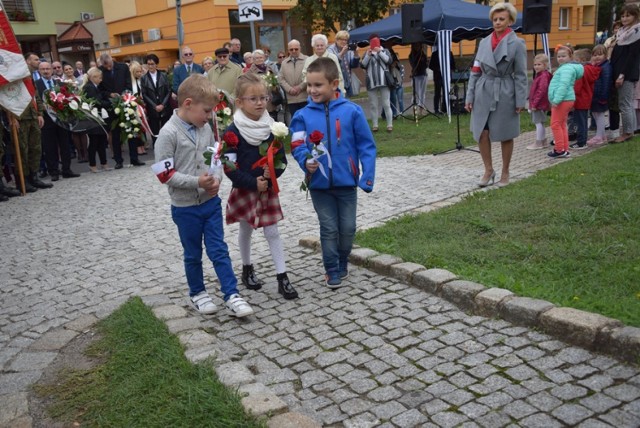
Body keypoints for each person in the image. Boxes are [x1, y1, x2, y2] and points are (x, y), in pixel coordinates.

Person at [154, 74, 254, 317]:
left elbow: (215, 157)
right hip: (185, 207)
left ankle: (231, 294)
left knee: (219, 249)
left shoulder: (205, 127)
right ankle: (197, 293)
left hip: (210, 204)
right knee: (192, 253)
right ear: (188, 104)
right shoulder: (168, 134)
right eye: (206, 111)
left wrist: (216, 178)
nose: (209, 116)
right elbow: (164, 175)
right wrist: (197, 182)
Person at [290, 57, 376, 288]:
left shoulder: (352, 112)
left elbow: (366, 146)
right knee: (329, 228)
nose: (312, 90)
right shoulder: (302, 116)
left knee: (347, 228)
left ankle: (342, 259)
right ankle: (331, 269)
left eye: (318, 85)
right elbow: (297, 145)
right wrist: (305, 161)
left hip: (347, 183)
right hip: (319, 185)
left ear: (334, 84)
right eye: (309, 85)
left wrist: (366, 175)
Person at [222, 73, 297, 300]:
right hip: (246, 188)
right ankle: (247, 268)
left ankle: (282, 276)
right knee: (246, 229)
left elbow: (281, 159)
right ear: (240, 102)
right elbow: (228, 167)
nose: (259, 103)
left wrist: (274, 174)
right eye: (253, 99)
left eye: (263, 98)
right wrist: (252, 181)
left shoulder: (274, 128)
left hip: (267, 189)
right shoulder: (232, 131)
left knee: (272, 230)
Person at [465, 2, 527, 187]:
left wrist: (520, 99)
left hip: (505, 90)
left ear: (510, 21)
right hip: (483, 89)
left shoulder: (517, 43)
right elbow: (475, 70)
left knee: (505, 133)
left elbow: (522, 75)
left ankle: (506, 171)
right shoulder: (484, 42)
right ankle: (488, 170)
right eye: (495, 19)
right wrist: (469, 96)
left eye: (502, 19)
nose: (498, 22)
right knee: (482, 133)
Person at [35, 61, 80, 181]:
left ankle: (67, 169)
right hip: (46, 120)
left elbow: (67, 98)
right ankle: (53, 171)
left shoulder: (59, 83)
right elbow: (35, 102)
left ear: (52, 70)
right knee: (50, 147)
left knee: (65, 144)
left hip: (61, 119)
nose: (46, 71)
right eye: (43, 69)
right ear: (39, 71)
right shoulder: (36, 85)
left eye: (48, 69)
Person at [99, 53, 144, 168]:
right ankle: (118, 161)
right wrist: (110, 94)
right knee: (115, 134)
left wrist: (125, 95)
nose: (108, 68)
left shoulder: (123, 67)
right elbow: (100, 90)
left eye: (109, 65)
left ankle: (134, 158)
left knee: (131, 130)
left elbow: (128, 83)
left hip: (125, 103)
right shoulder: (100, 71)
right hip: (112, 106)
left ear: (111, 61)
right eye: (106, 67)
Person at [609, 4, 640, 143]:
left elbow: (632, 57)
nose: (624, 18)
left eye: (628, 15)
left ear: (635, 16)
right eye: (622, 16)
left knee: (625, 104)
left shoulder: (636, 32)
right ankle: (630, 129)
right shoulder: (622, 32)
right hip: (618, 71)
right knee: (627, 103)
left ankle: (627, 132)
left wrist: (622, 74)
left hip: (626, 73)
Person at [547, 45, 583, 158]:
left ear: (570, 57)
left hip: (562, 100)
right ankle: (564, 148)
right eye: (558, 56)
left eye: (563, 56)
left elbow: (563, 85)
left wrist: (556, 100)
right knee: (562, 124)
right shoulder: (564, 68)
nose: (560, 58)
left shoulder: (567, 69)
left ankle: (559, 149)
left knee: (555, 124)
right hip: (566, 99)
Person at [82, 67, 113, 172]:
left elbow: (101, 96)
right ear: (93, 77)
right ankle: (92, 164)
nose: (101, 80)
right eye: (99, 78)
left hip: (99, 118)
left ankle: (104, 163)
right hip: (93, 118)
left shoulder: (95, 86)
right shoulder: (89, 87)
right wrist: (110, 103)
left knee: (101, 142)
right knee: (94, 142)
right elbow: (96, 101)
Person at [361, 34, 394, 132]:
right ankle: (375, 125)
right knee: (373, 105)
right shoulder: (367, 53)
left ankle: (389, 125)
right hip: (371, 82)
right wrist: (368, 55)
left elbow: (389, 61)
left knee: (386, 104)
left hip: (384, 81)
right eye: (372, 41)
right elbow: (363, 65)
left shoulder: (385, 51)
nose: (374, 43)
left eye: (376, 41)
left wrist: (380, 52)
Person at [571, 49, 600, 150]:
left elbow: (577, 87)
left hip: (580, 99)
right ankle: (582, 140)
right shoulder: (590, 69)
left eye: (575, 59)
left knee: (581, 122)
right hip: (586, 98)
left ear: (581, 59)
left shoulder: (581, 70)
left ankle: (581, 142)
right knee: (583, 121)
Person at [141, 54, 171, 147]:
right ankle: (156, 148)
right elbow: (144, 94)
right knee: (154, 131)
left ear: (156, 64)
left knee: (166, 129)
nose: (150, 66)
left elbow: (168, 91)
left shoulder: (163, 75)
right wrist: (154, 106)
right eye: (148, 64)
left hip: (164, 107)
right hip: (152, 109)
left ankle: (167, 147)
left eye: (152, 64)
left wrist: (163, 104)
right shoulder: (144, 78)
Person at [526, 54, 552, 150]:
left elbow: (541, 91)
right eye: (535, 64)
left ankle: (539, 142)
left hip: (539, 104)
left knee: (538, 123)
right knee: (540, 122)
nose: (536, 66)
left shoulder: (543, 76)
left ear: (545, 65)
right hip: (540, 103)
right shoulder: (541, 75)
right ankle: (543, 140)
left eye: (539, 64)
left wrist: (534, 104)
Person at [588, 44, 612, 146]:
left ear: (605, 55)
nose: (597, 57)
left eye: (600, 54)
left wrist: (603, 97)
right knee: (595, 115)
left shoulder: (605, 67)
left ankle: (599, 136)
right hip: (595, 96)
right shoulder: (598, 66)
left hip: (600, 96)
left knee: (599, 116)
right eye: (595, 55)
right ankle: (601, 135)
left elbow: (606, 83)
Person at [278, 39, 308, 123]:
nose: (294, 51)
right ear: (288, 50)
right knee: (296, 121)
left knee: (306, 120)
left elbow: (309, 76)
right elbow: (280, 78)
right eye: (291, 49)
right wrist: (289, 89)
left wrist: (300, 87)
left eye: (296, 49)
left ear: (300, 48)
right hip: (291, 99)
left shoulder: (307, 60)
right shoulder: (284, 63)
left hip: (304, 97)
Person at [245, 49, 280, 121]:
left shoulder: (269, 69)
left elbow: (276, 82)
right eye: (257, 58)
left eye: (261, 57)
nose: (259, 59)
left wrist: (275, 87)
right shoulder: (250, 73)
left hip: (271, 103)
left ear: (264, 58)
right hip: (258, 104)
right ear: (253, 60)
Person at [328, 30, 359, 98]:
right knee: (338, 102)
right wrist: (342, 53)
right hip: (336, 83)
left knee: (347, 104)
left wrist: (356, 54)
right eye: (342, 39)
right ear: (336, 40)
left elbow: (354, 65)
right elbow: (332, 63)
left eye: (346, 40)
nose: (344, 42)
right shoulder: (331, 49)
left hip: (347, 82)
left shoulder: (349, 49)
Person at [129, 61, 147, 156]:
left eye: (140, 71)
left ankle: (142, 146)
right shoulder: (131, 82)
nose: (140, 73)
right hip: (133, 107)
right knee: (136, 127)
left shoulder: (140, 81)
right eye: (137, 72)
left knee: (142, 127)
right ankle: (138, 147)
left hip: (141, 106)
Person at [409, 43, 428, 111]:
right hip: (416, 75)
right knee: (416, 93)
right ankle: (415, 109)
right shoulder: (411, 55)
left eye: (418, 46)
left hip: (423, 74)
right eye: (415, 46)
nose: (417, 47)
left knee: (422, 93)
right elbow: (413, 64)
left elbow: (426, 65)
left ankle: (421, 109)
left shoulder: (423, 55)